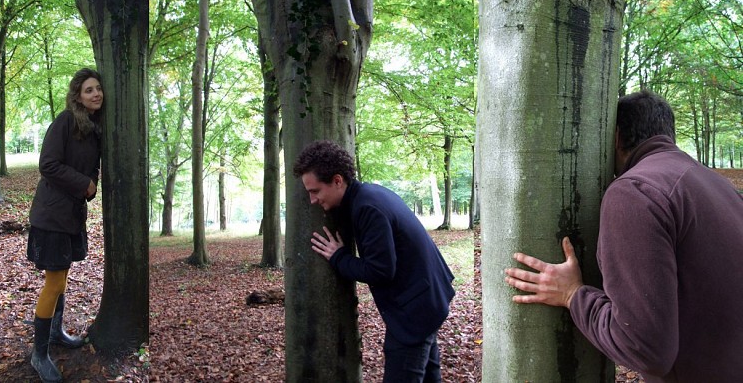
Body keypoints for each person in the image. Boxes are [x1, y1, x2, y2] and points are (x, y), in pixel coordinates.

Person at [504, 90, 743, 382]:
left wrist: (573, 295)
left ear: (615, 137)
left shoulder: (636, 192)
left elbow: (644, 348)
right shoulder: (719, 187)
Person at [294, 140, 456, 383]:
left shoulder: (368, 208)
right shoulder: (368, 195)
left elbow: (380, 270)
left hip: (416, 309)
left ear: (338, 180)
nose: (312, 200)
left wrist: (338, 257)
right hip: (428, 297)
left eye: (315, 191)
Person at [26, 68, 103, 382]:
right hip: (51, 215)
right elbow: (48, 164)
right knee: (54, 283)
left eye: (98, 88)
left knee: (61, 277)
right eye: (88, 90)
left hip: (70, 215)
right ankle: (39, 354)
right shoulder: (65, 121)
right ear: (77, 96)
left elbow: (91, 169)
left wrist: (92, 181)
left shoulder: (93, 128)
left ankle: (56, 333)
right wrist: (84, 183)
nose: (96, 94)